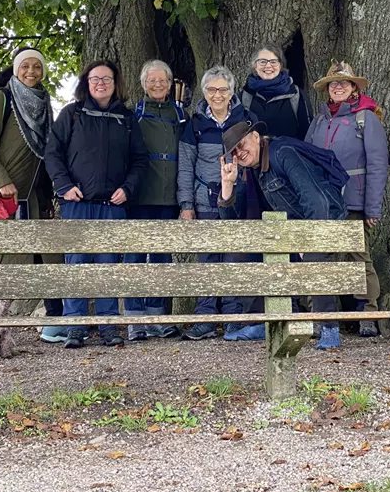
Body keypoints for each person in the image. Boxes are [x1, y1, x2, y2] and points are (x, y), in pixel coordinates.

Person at [44, 60, 148, 349]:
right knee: (76, 266)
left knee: (107, 266)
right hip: (77, 203)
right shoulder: (72, 114)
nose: (101, 83)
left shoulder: (127, 118)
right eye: (95, 79)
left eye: (106, 79)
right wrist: (64, 185)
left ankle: (108, 327)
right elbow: (53, 153)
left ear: (116, 83)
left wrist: (128, 188)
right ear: (86, 83)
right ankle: (75, 327)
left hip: (112, 206)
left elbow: (140, 160)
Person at [217, 120, 349, 349]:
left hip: (324, 219)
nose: (239, 152)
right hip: (292, 229)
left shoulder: (282, 153)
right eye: (234, 151)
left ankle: (329, 329)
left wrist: (306, 240)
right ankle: (268, 322)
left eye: (242, 144)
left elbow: (316, 199)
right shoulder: (252, 170)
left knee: (315, 260)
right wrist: (227, 186)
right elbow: (232, 223)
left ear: (256, 137)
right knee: (254, 250)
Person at [0, 47, 61, 356]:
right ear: (16, 69)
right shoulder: (0, 100)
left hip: (27, 199)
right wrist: (1, 181)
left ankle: (0, 333)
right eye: (25, 66)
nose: (31, 71)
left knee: (17, 266)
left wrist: (45, 198)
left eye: (37, 66)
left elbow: (42, 157)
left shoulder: (43, 103)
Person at [305, 61, 388, 337]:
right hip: (322, 202)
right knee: (319, 258)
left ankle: (367, 312)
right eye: (333, 83)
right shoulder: (318, 121)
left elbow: (377, 164)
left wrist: (372, 207)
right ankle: (320, 314)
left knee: (359, 258)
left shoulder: (366, 118)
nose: (338, 87)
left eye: (344, 82)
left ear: (353, 87)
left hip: (354, 199)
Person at [176, 65, 257, 340]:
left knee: (235, 259)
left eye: (223, 89)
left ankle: (233, 317)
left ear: (232, 92)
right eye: (211, 90)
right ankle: (206, 318)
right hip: (205, 202)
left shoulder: (247, 120)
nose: (217, 95)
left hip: (238, 202)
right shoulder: (195, 125)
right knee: (207, 262)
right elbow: (185, 167)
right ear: (204, 92)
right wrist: (186, 205)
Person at [122, 59, 187, 341]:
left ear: (170, 84)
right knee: (135, 257)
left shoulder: (180, 113)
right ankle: (134, 318)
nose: (157, 85)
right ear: (144, 84)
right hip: (140, 195)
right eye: (152, 81)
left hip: (169, 196)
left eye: (162, 80)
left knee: (162, 257)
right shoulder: (134, 112)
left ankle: (157, 316)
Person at [239, 45, 313, 139]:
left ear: (281, 65)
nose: (268, 66)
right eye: (262, 61)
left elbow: (307, 135)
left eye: (273, 62)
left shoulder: (296, 95)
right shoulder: (244, 96)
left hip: (288, 148)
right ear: (255, 66)